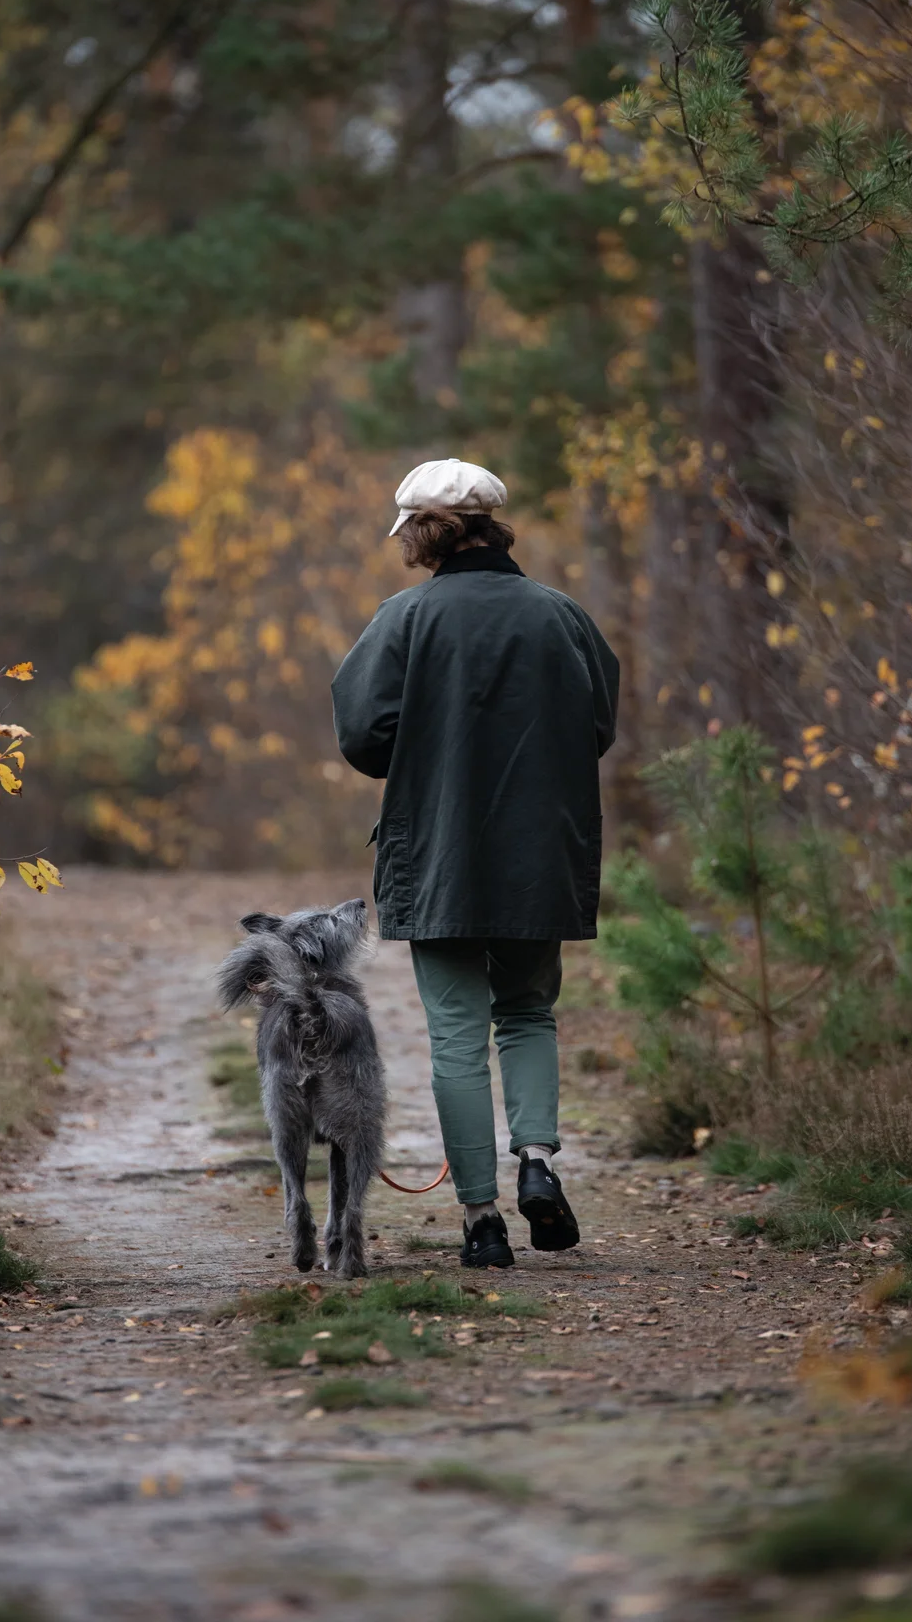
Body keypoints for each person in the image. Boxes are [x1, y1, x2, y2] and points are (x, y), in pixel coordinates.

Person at [331, 457, 620, 1269]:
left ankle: (480, 1220)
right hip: (541, 850)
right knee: (526, 1013)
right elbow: (597, 725)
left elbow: (361, 738)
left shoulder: (403, 619)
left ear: (421, 534)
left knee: (455, 1035)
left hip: (437, 853)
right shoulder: (561, 616)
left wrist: (427, 743)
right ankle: (537, 1163)